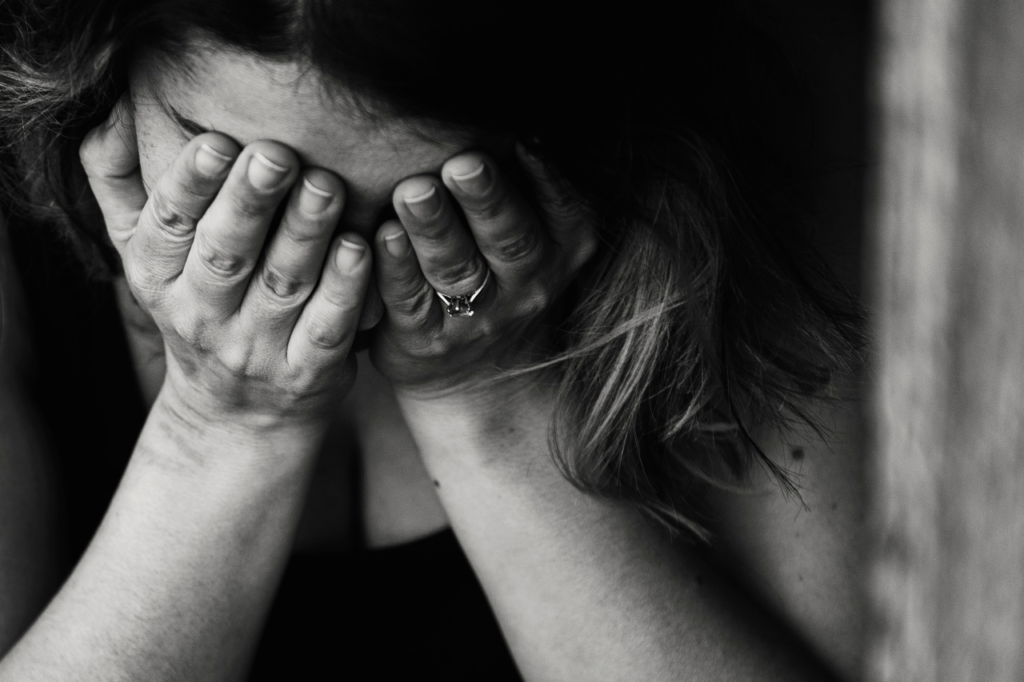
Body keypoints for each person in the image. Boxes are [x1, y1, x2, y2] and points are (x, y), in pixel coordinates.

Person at [0, 0, 867, 679]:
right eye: (234, 174)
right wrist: (220, 427)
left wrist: (489, 399)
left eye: (418, 209)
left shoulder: (771, 134)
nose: (320, 266)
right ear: (104, 62)